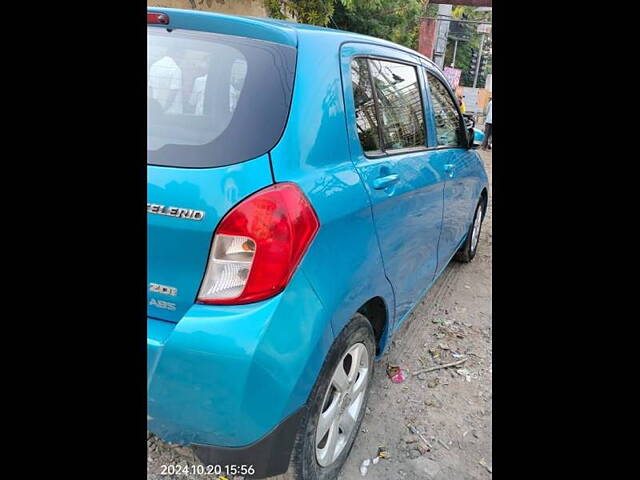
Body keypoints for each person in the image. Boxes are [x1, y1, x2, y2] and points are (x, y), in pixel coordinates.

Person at [149, 49, 184, 114]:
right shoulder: (175, 69)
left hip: (154, 110)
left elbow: (150, 89)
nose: (181, 60)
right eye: (182, 56)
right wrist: (163, 109)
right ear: (177, 54)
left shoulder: (154, 66)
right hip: (171, 112)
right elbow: (173, 92)